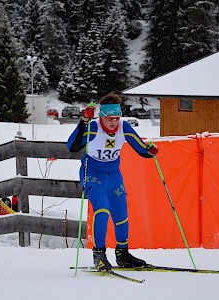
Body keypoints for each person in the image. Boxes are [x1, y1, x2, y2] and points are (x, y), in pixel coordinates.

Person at [67, 93, 158, 271]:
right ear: (102, 116)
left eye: (117, 118)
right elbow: (72, 146)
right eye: (110, 119)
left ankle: (122, 254)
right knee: (102, 210)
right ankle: (99, 254)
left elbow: (141, 148)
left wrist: (150, 151)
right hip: (92, 174)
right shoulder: (93, 128)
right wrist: (83, 122)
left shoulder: (124, 128)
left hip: (113, 175)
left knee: (121, 215)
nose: (114, 122)